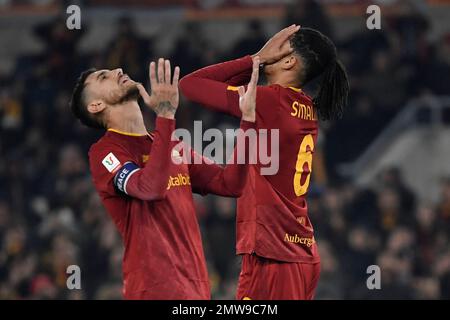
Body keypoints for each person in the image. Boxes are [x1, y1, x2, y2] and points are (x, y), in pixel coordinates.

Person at [180, 25, 349, 299]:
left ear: (289, 60)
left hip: (277, 254)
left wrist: (254, 59)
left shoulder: (271, 101)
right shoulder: (304, 106)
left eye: (279, 43)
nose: (271, 45)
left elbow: (190, 85)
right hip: (288, 250)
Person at [69, 57, 261, 299]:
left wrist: (248, 121)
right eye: (103, 77)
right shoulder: (105, 152)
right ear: (96, 105)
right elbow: (150, 188)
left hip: (196, 289)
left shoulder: (169, 143)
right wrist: (166, 115)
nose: (118, 69)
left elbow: (230, 183)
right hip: (155, 289)